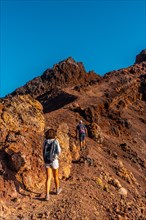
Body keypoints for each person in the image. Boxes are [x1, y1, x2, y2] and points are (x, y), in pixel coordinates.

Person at [43, 128, 62, 201]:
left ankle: (47, 195)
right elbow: (59, 151)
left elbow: (43, 149)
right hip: (54, 161)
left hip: (47, 161)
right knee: (56, 177)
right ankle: (57, 190)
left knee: (48, 178)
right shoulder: (55, 141)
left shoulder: (45, 141)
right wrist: (56, 156)